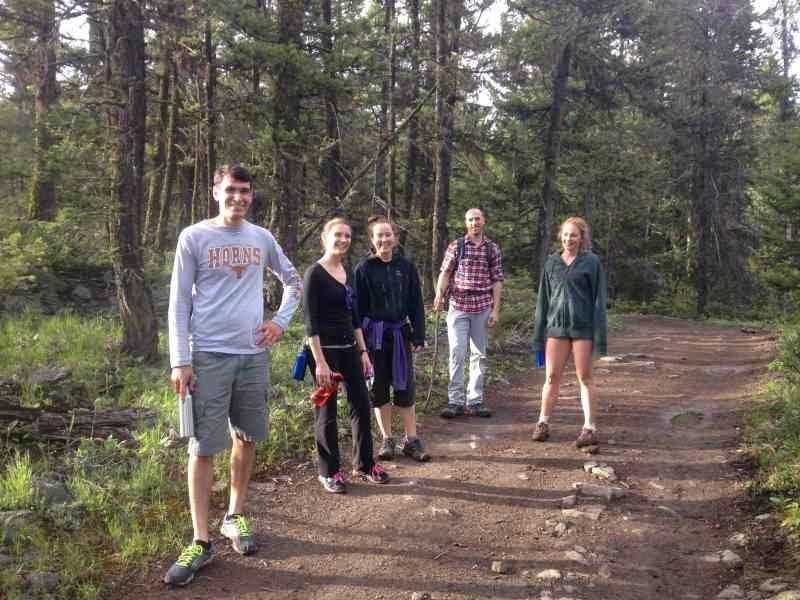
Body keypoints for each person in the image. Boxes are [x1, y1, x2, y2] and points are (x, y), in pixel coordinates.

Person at [165, 164, 301, 586]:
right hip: (207, 356)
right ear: (215, 192)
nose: (238, 198)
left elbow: (293, 281)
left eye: (245, 191)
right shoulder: (194, 237)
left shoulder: (261, 238)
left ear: (251, 195)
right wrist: (180, 360)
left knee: (246, 437)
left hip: (253, 357)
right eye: (230, 190)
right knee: (203, 446)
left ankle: (235, 515)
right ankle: (200, 540)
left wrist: (279, 322)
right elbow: (178, 303)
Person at [303, 217, 390, 494]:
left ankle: (364, 464)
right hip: (324, 354)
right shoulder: (314, 274)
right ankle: (328, 472)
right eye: (337, 235)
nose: (343, 240)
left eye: (347, 236)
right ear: (325, 238)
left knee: (361, 405)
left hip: (350, 350)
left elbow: (354, 317)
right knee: (326, 413)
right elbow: (310, 323)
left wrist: (363, 351)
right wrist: (320, 363)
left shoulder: (347, 271)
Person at [355, 216, 429, 462]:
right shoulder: (363, 269)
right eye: (380, 235)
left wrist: (418, 334)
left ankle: (411, 440)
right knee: (378, 389)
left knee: (405, 387)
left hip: (400, 335)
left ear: (394, 238)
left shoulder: (406, 267)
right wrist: (360, 345)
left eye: (388, 235)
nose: (384, 239)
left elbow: (416, 303)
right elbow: (357, 310)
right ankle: (387, 440)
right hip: (373, 338)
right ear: (372, 239)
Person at [531, 217, 608, 448]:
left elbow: (599, 300)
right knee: (551, 377)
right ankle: (542, 423)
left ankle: (589, 428)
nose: (568, 239)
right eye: (565, 234)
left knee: (585, 377)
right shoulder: (551, 262)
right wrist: (538, 338)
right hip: (556, 328)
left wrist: (600, 338)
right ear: (560, 236)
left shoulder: (591, 262)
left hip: (583, 328)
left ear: (581, 237)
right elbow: (543, 301)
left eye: (573, 235)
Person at [433, 208, 504, 418]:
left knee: (479, 354)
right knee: (457, 352)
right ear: (466, 223)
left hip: (482, 306)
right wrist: (439, 295)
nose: (475, 223)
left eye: (478, 219)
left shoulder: (492, 249)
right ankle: (455, 401)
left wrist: (495, 310)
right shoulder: (457, 246)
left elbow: (497, 280)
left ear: (484, 221)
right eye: (471, 220)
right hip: (458, 306)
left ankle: (475, 401)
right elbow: (445, 273)